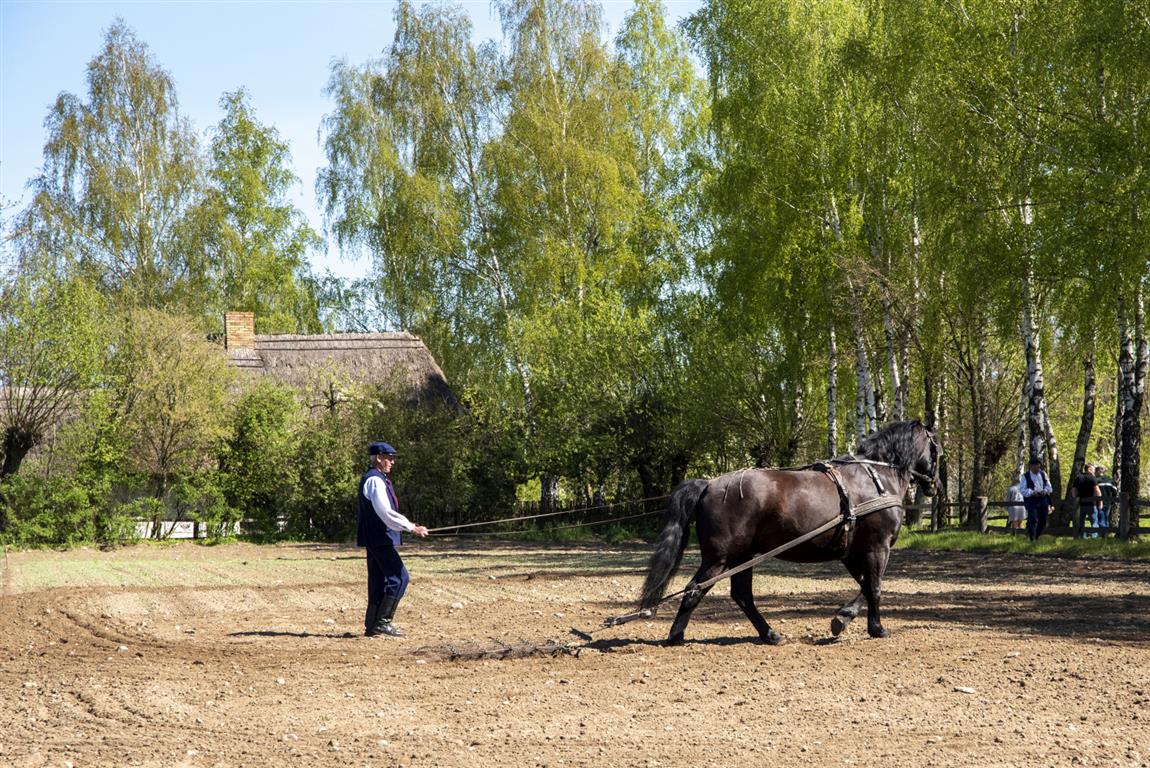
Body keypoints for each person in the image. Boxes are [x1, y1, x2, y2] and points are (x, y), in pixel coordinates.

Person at [357, 441, 428, 637]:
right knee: (400, 577)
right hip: (380, 538)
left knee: (378, 580)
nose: (392, 462)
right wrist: (411, 527)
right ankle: (383, 622)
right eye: (389, 458)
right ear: (379, 458)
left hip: (375, 538)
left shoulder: (376, 478)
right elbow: (385, 512)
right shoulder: (375, 480)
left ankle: (372, 624)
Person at [1020, 457, 1053, 541]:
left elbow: (1049, 487)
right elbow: (1022, 490)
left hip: (1043, 499)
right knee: (1033, 519)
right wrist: (1032, 492)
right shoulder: (1025, 476)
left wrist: (1045, 490)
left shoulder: (1043, 474)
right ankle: (1032, 539)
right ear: (1031, 466)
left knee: (1043, 521)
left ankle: (1036, 536)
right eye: (1036, 467)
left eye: (1039, 467)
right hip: (1032, 500)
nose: (1038, 469)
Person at [1070, 463, 1102, 539]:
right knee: (1094, 521)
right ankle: (1094, 536)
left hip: (1081, 504)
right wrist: (1100, 502)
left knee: (1081, 522)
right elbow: (1097, 491)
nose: (1094, 471)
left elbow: (1073, 490)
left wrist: (1076, 499)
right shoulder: (1092, 478)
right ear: (1089, 469)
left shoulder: (1078, 478)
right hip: (1091, 503)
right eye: (1093, 469)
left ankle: (1082, 536)